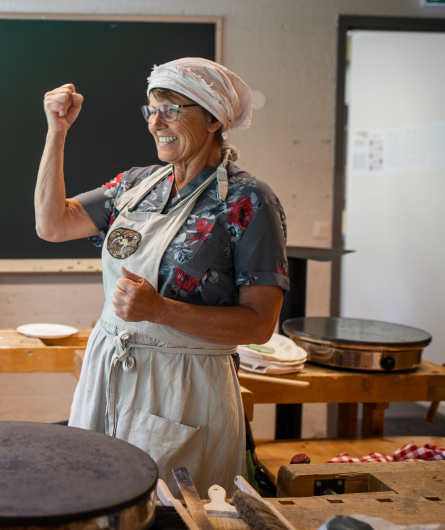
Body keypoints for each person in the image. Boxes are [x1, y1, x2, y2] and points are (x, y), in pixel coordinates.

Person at [34, 58, 288, 496]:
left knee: (172, 508)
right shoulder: (136, 186)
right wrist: (56, 133)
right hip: (110, 368)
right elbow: (52, 224)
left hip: (185, 386)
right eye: (151, 109)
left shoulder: (248, 201)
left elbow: (260, 324)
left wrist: (160, 310)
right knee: (94, 498)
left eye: (172, 109)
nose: (156, 122)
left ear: (213, 118)